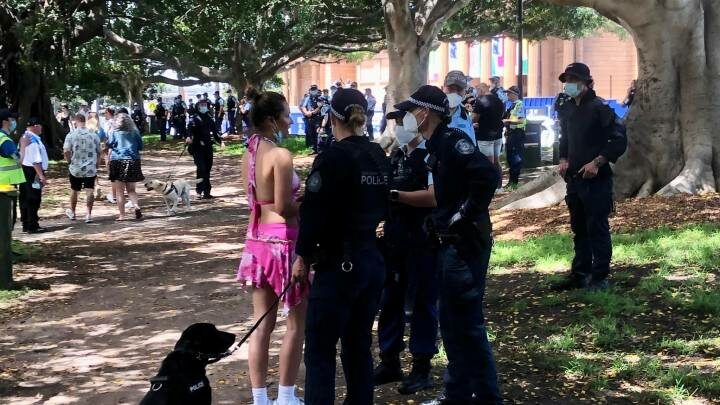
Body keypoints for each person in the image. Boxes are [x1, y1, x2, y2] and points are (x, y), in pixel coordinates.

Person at [389, 85, 501, 405]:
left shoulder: (453, 142)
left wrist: (464, 215)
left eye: (411, 111)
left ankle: (489, 397)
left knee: (468, 325)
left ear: (426, 113)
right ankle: (458, 393)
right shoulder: (435, 146)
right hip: (448, 245)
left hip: (465, 247)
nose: (407, 117)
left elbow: (487, 178)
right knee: (451, 324)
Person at [292, 88, 391, 404]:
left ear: (332, 116)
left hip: (339, 264)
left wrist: (302, 256)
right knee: (357, 343)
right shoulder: (378, 155)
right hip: (370, 259)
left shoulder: (332, 157)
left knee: (320, 349)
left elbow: (314, 213)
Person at [237, 87, 306, 405]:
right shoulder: (280, 155)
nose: (289, 120)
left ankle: (260, 398)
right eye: (285, 115)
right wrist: (306, 200)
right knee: (295, 322)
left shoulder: (249, 150)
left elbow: (255, 200)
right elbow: (283, 206)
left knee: (261, 324)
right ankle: (287, 396)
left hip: (256, 242)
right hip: (284, 242)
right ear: (271, 119)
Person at [374, 107, 439, 395]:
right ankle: (389, 361)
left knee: (423, 303)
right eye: (396, 122)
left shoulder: (430, 156)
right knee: (391, 300)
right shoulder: (397, 156)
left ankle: (421, 367)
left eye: (403, 121)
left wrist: (395, 196)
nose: (399, 126)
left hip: (423, 239)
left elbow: (434, 198)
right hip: (394, 239)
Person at [555, 63, 627, 291]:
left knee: (597, 227)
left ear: (587, 83)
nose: (569, 84)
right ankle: (580, 273)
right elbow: (564, 138)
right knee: (579, 229)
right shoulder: (567, 109)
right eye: (567, 79)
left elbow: (618, 140)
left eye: (574, 79)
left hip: (596, 180)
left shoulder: (600, 108)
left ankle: (600, 277)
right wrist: (563, 159)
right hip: (574, 180)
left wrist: (598, 162)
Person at [63, 114, 101, 223]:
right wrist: (97, 163)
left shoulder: (71, 134)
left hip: (76, 168)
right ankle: (88, 214)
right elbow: (99, 151)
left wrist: (69, 161)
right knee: (89, 190)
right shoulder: (93, 135)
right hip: (90, 167)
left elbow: (66, 150)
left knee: (74, 190)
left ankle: (73, 213)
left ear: (75, 121)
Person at [107, 113, 144, 220]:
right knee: (131, 190)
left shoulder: (114, 132)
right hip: (133, 161)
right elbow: (140, 146)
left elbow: (109, 144)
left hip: (118, 161)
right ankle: (136, 206)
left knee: (119, 191)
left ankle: (122, 215)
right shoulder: (135, 132)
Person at [186, 99, 223, 199]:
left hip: (208, 147)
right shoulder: (194, 117)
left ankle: (206, 192)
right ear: (198, 106)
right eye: (202, 104)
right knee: (201, 168)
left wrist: (221, 142)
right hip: (197, 147)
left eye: (205, 104)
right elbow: (189, 129)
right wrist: (189, 137)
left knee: (207, 169)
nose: (204, 106)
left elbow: (215, 132)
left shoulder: (209, 118)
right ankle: (200, 190)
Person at [18, 117, 49, 233]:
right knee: (34, 198)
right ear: (35, 126)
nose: (42, 128)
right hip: (33, 172)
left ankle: (26, 223)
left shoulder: (25, 137)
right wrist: (41, 175)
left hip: (27, 171)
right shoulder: (32, 140)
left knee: (25, 197)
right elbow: (35, 160)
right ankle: (32, 224)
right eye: (40, 126)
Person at [473, 83, 506, 189]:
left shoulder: (480, 101)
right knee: (497, 161)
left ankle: (489, 188)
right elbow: (501, 115)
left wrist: (473, 121)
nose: (476, 93)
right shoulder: (499, 100)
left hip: (484, 135)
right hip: (498, 134)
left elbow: (474, 118)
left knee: (488, 162)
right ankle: (499, 186)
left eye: (477, 90)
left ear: (481, 89)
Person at [0, 109, 25, 244]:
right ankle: (6, 248)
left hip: (3, 183)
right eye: (11, 120)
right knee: (8, 217)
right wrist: (23, 146)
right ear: (5, 122)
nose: (13, 123)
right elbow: (18, 159)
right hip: (6, 185)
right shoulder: (5, 140)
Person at [503, 85, 526, 187]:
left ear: (514, 94)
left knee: (515, 159)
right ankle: (511, 182)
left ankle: (513, 183)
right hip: (511, 134)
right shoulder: (511, 105)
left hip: (517, 134)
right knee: (510, 158)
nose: (507, 95)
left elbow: (521, 120)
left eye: (509, 93)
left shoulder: (519, 104)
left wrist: (507, 121)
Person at [444, 71, 474, 140]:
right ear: (443, 87)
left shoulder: (465, 117)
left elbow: (472, 144)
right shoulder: (431, 112)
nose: (454, 93)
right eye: (451, 88)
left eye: (459, 89)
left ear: (464, 92)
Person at [299, 85, 321, 154]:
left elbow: (320, 107)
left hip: (316, 118)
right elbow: (302, 106)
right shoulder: (306, 98)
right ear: (310, 90)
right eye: (312, 89)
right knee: (310, 134)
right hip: (308, 119)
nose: (313, 91)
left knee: (317, 134)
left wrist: (313, 112)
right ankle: (313, 149)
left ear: (317, 90)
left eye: (315, 90)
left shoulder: (319, 98)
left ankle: (318, 149)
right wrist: (306, 113)